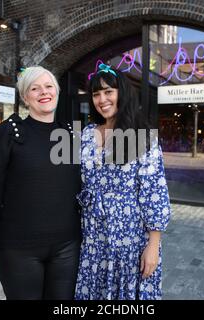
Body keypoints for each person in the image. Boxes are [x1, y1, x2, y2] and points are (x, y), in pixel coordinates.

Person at [0, 66, 81, 300]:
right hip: (18, 250)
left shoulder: (71, 134)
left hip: (67, 249)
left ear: (57, 91)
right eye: (35, 88)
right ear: (25, 97)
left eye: (49, 86)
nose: (44, 92)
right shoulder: (10, 132)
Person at [74, 63, 172, 300]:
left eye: (109, 91)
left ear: (122, 94)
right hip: (92, 239)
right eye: (96, 94)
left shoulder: (142, 137)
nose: (102, 99)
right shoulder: (85, 135)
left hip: (130, 241)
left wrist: (153, 246)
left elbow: (155, 193)